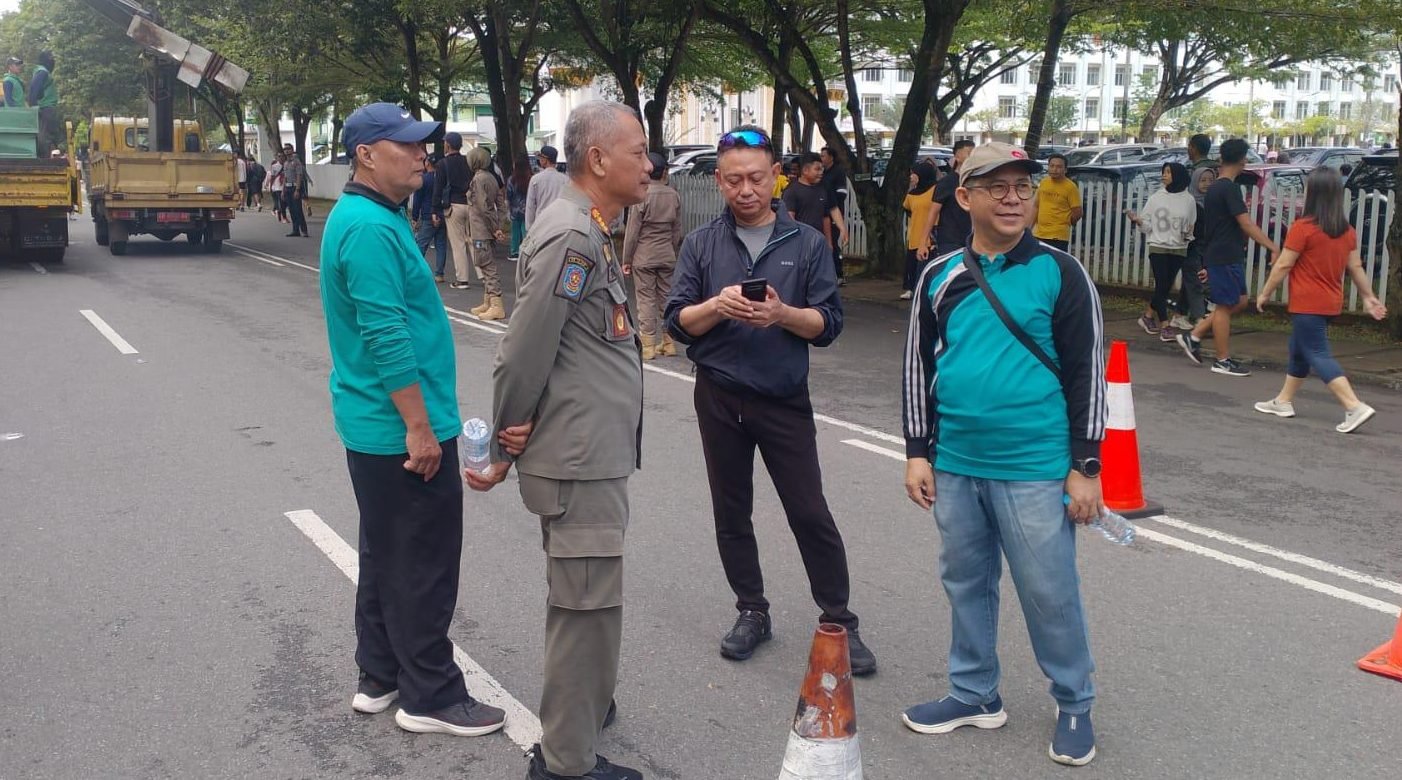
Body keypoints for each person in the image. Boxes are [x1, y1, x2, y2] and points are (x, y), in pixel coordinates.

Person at [900, 142, 1106, 767]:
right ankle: (973, 692)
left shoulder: (1062, 273)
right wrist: (917, 452)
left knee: (1049, 590)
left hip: (1035, 466)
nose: (1014, 197)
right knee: (966, 582)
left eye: (1023, 186)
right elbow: (917, 366)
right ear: (965, 198)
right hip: (957, 461)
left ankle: (1074, 700)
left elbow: (1087, 374)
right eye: (997, 187)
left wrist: (1085, 467)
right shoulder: (939, 275)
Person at [467, 99, 649, 780]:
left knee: (587, 602)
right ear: (598, 158)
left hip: (587, 452)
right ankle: (567, 764)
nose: (650, 163)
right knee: (585, 610)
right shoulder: (574, 234)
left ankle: (585, 713)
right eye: (638, 150)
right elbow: (522, 351)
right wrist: (500, 450)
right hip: (576, 460)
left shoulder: (586, 226)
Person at [318, 101, 508, 742]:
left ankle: (380, 675)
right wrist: (420, 428)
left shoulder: (371, 216)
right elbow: (386, 335)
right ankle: (429, 693)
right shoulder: (370, 227)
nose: (422, 155)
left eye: (423, 144)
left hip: (374, 425)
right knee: (422, 562)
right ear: (367, 154)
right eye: (406, 145)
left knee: (386, 553)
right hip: (397, 427)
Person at [664, 126, 877, 676]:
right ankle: (751, 610)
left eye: (756, 178)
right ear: (718, 181)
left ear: (775, 174)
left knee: (809, 511)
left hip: (782, 399)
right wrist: (718, 305)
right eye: (733, 180)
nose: (746, 190)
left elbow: (827, 325)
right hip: (717, 396)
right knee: (731, 512)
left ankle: (839, 619)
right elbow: (678, 322)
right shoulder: (702, 243)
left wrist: (782, 315)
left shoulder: (805, 242)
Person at [1253, 168, 1386, 433]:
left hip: (1307, 302)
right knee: (1299, 348)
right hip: (1329, 302)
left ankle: (1354, 406)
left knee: (1317, 353)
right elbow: (1356, 267)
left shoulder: (1303, 228)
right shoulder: (1345, 231)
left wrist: (1266, 292)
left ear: (1312, 193)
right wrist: (1369, 297)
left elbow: (1283, 265)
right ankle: (1283, 401)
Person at [1174, 138, 1280, 376]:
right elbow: (1246, 223)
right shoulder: (1227, 188)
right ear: (1243, 159)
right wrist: (1273, 246)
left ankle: (1194, 335)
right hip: (1223, 255)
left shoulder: (1218, 188)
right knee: (1225, 305)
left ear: (1222, 158)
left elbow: (1218, 225)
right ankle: (1222, 360)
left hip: (1223, 253)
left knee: (1239, 301)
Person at [622, 151, 682, 360]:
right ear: (664, 172)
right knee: (666, 297)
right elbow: (677, 230)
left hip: (644, 256)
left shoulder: (642, 195)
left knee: (646, 299)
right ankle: (669, 342)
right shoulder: (673, 195)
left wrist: (626, 260)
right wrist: (672, 250)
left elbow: (632, 232)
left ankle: (648, 345)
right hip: (667, 254)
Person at [1126, 162, 1196, 340]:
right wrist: (1138, 220)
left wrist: (1187, 235)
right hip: (1158, 246)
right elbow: (1147, 225)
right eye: (1163, 172)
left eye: (1168, 172)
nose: (1164, 175)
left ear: (1178, 175)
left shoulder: (1188, 199)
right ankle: (1165, 325)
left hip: (1179, 247)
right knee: (1162, 284)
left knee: (1164, 287)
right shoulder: (1156, 197)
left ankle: (1148, 316)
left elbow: (1191, 223)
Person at [465, 146, 508, 320]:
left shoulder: (477, 179)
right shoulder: (491, 178)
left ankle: (496, 304)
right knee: (485, 264)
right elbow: (501, 204)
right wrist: (499, 223)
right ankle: (489, 301)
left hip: (481, 229)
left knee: (487, 266)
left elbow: (483, 207)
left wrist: (494, 227)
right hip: (487, 228)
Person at [433, 132, 474, 290]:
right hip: (470, 204)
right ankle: (484, 274)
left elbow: (438, 188)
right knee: (472, 241)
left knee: (458, 244)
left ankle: (462, 279)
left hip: (453, 206)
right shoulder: (468, 162)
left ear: (448, 145)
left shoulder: (443, 164)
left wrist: (435, 210)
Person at [921, 139, 975, 256]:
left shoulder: (976, 181)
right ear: (957, 157)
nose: (973, 157)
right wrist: (923, 242)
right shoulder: (947, 183)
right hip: (950, 241)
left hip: (973, 240)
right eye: (969, 153)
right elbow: (933, 212)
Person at [782, 153, 846, 249]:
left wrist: (829, 242)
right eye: (817, 169)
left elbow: (826, 217)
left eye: (822, 169)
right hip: (800, 244)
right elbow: (789, 220)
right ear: (805, 170)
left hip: (818, 243)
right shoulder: (791, 190)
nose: (821, 172)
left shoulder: (823, 188)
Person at [901, 159, 939, 300]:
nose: (911, 177)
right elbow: (907, 209)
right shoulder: (911, 194)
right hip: (915, 233)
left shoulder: (936, 190)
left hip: (931, 235)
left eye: (914, 174)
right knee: (911, 264)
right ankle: (910, 288)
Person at [1029, 153, 1082, 252]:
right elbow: (1036, 206)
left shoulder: (1070, 187)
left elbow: (1077, 211)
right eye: (1052, 166)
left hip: (1058, 236)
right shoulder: (1044, 182)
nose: (1054, 169)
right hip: (1039, 234)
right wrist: (1029, 229)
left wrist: (1067, 222)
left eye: (1059, 167)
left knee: (1054, 265)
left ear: (1065, 170)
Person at [412, 154, 448, 282]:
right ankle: (439, 273)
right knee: (441, 244)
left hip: (428, 215)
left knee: (421, 244)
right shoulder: (444, 179)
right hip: (443, 214)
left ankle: (415, 270)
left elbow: (417, 200)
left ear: (427, 163)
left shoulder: (424, 179)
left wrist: (415, 217)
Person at [819, 146, 849, 284]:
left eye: (824, 156)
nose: (821, 158)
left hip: (833, 214)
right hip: (822, 213)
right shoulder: (822, 173)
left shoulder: (838, 172)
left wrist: (831, 203)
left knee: (833, 245)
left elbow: (842, 193)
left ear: (831, 157)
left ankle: (839, 274)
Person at [524, 144, 568, 231]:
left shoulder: (535, 179)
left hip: (541, 224)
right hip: (560, 225)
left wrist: (529, 228)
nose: (539, 160)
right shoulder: (565, 180)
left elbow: (530, 206)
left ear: (545, 160)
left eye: (541, 158)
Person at [28, 51, 60, 155]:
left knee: (47, 133)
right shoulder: (42, 72)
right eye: (50, 59)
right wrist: (34, 105)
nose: (52, 61)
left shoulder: (42, 71)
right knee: (45, 134)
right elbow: (34, 90)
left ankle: (46, 154)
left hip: (46, 106)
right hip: (45, 107)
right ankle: (45, 157)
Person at [507, 152, 532, 260]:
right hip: (527, 209)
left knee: (515, 231)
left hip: (515, 209)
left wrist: (509, 208)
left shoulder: (511, 180)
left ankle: (514, 252)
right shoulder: (531, 178)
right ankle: (527, 251)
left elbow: (509, 195)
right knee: (525, 230)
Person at [282, 143, 309, 237]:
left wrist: (297, 190)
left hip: (294, 187)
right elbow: (285, 177)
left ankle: (304, 230)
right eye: (285, 149)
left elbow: (299, 176)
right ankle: (295, 230)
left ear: (292, 150)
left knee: (298, 210)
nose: (286, 151)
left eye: (288, 149)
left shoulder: (296, 162)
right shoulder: (285, 163)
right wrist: (283, 190)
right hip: (288, 187)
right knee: (292, 210)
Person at [268, 153, 286, 222]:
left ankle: (280, 211)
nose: (281, 158)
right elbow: (272, 177)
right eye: (279, 156)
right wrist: (271, 186)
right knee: (280, 201)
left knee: (284, 202)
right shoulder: (274, 166)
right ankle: (281, 214)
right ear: (277, 158)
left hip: (285, 186)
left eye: (282, 156)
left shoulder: (286, 165)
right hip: (277, 186)